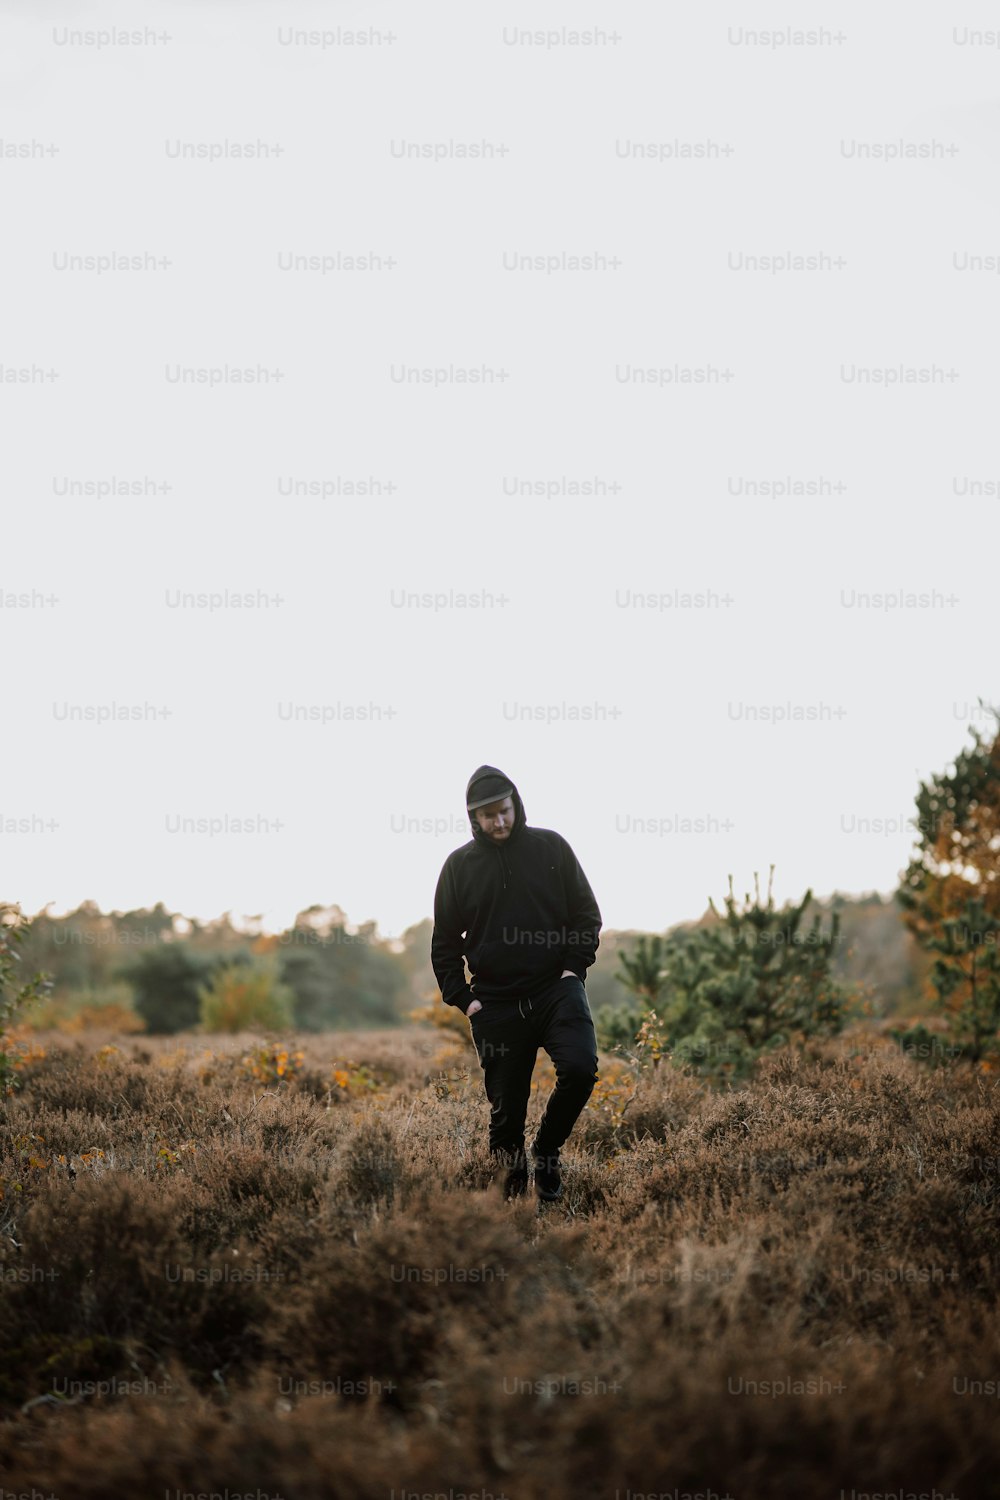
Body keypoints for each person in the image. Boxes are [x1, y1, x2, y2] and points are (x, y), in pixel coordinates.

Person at [430, 764, 602, 1202]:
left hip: (555, 990)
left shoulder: (552, 847)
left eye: (504, 811)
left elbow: (586, 914)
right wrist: (464, 999)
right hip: (495, 1005)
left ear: (516, 804)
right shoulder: (458, 867)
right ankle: (511, 1215)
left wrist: (572, 969)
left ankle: (546, 1151)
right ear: (474, 818)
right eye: (488, 816)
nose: (499, 822)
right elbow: (445, 942)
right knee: (506, 1119)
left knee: (580, 1070)